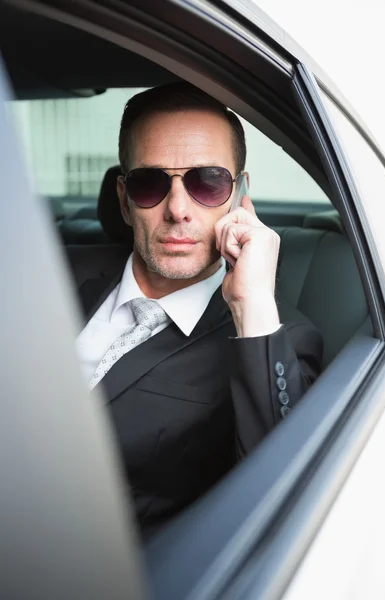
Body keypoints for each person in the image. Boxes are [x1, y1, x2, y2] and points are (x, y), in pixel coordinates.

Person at [75, 82, 322, 538]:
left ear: (240, 195)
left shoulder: (269, 337)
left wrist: (252, 307)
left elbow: (286, 498)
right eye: (150, 183)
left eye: (207, 182)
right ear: (124, 200)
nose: (177, 209)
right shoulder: (52, 270)